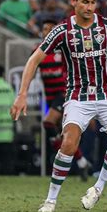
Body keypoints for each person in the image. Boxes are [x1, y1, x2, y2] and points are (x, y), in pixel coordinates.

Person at [10, 0, 107, 212]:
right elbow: (34, 60)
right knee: (69, 144)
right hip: (77, 96)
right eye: (85, 2)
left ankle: (98, 189)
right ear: (73, 2)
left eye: (93, 2)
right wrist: (21, 95)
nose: (90, 7)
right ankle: (51, 200)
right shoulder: (62, 31)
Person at [38, 19, 91, 180]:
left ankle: (62, 156)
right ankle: (81, 161)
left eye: (50, 29)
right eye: (44, 29)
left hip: (65, 95)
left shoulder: (63, 50)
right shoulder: (39, 52)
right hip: (50, 97)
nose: (46, 32)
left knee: (48, 123)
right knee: (65, 135)